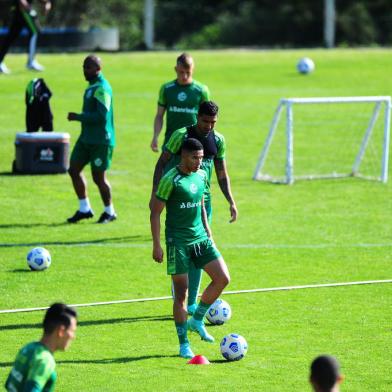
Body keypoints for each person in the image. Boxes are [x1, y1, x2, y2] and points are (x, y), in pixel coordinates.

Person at [150, 100, 238, 315]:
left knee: (200, 252)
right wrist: (155, 192)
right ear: (197, 116)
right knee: (184, 251)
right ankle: (180, 297)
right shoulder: (181, 135)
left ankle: (191, 303)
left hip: (203, 202)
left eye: (213, 122)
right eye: (205, 120)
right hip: (179, 199)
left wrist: (231, 200)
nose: (209, 125)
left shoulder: (218, 140)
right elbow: (162, 162)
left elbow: (221, 173)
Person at [150, 138, 230, 359]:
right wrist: (157, 244)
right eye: (195, 158)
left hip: (201, 239)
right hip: (178, 243)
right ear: (183, 156)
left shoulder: (202, 175)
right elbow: (155, 212)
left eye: (202, 158)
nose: (199, 162)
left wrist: (208, 231)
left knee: (223, 278)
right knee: (182, 294)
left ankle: (197, 320)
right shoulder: (170, 179)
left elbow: (202, 204)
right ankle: (183, 343)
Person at [67, 54, 117, 224]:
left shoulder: (102, 88)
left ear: (98, 69)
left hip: (101, 140)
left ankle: (110, 211)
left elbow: (101, 116)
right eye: (84, 67)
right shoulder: (92, 87)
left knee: (98, 178)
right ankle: (84, 208)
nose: (85, 70)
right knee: (73, 169)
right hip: (86, 138)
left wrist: (78, 117)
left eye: (88, 67)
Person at [5, 303, 77, 392]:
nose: (73, 336)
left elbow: (9, 384)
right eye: (72, 331)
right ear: (61, 331)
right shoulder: (44, 361)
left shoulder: (27, 348)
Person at [150, 52, 210, 152]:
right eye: (181, 72)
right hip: (171, 141)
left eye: (188, 72)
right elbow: (159, 115)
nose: (185, 76)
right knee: (165, 168)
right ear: (175, 69)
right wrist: (155, 136)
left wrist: (208, 139)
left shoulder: (201, 90)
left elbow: (208, 118)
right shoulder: (166, 89)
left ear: (193, 70)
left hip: (194, 143)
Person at [0, 0, 52, 74]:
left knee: (11, 37)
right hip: (22, 11)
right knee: (34, 31)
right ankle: (31, 62)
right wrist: (30, 10)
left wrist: (47, 4)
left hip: (22, 12)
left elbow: (45, 2)